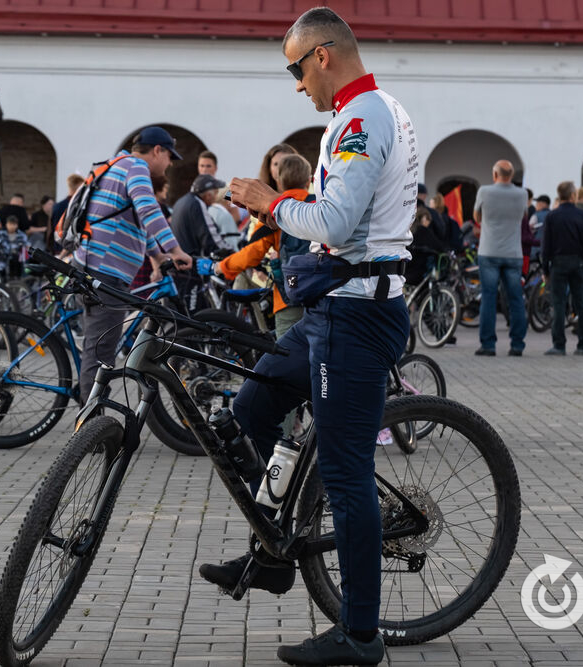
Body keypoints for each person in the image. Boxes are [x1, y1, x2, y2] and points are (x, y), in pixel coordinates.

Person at [209, 8, 414, 664]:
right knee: (252, 405)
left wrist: (268, 201)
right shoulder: (357, 115)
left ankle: (361, 634)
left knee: (345, 472)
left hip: (359, 315)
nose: (297, 84)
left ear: (323, 56)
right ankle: (275, 549)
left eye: (296, 68)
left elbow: (331, 219)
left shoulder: (363, 117)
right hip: (335, 305)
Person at [71, 126, 192, 399]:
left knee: (98, 346)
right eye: (170, 157)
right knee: (100, 353)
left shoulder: (121, 166)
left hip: (95, 265)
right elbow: (149, 209)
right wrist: (175, 250)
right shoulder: (136, 166)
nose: (170, 164)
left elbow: (137, 222)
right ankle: (89, 426)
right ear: (157, 150)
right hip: (103, 270)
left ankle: (90, 412)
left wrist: (158, 256)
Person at [213, 153, 313, 338]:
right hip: (320, 293)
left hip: (287, 297)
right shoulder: (316, 206)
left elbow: (252, 254)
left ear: (279, 181)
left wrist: (222, 267)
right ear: (308, 181)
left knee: (286, 355)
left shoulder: (275, 209)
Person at [472, 160, 528, 356]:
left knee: (488, 297)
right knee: (515, 299)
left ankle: (488, 345)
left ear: (495, 174)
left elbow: (477, 217)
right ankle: (517, 345)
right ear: (511, 175)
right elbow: (523, 216)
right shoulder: (523, 194)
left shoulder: (484, 192)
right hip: (513, 253)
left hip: (488, 251)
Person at [542, 181, 583, 355]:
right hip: (578, 263)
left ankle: (559, 345)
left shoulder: (551, 216)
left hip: (558, 263)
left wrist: (545, 270)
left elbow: (546, 246)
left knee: (558, 304)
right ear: (573, 196)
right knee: (582, 304)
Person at [170, 174, 228, 311]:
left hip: (179, 264)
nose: (215, 196)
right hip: (191, 265)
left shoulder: (182, 201)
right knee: (195, 315)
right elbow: (209, 236)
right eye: (215, 191)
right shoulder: (197, 203)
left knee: (183, 312)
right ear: (207, 193)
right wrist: (230, 252)